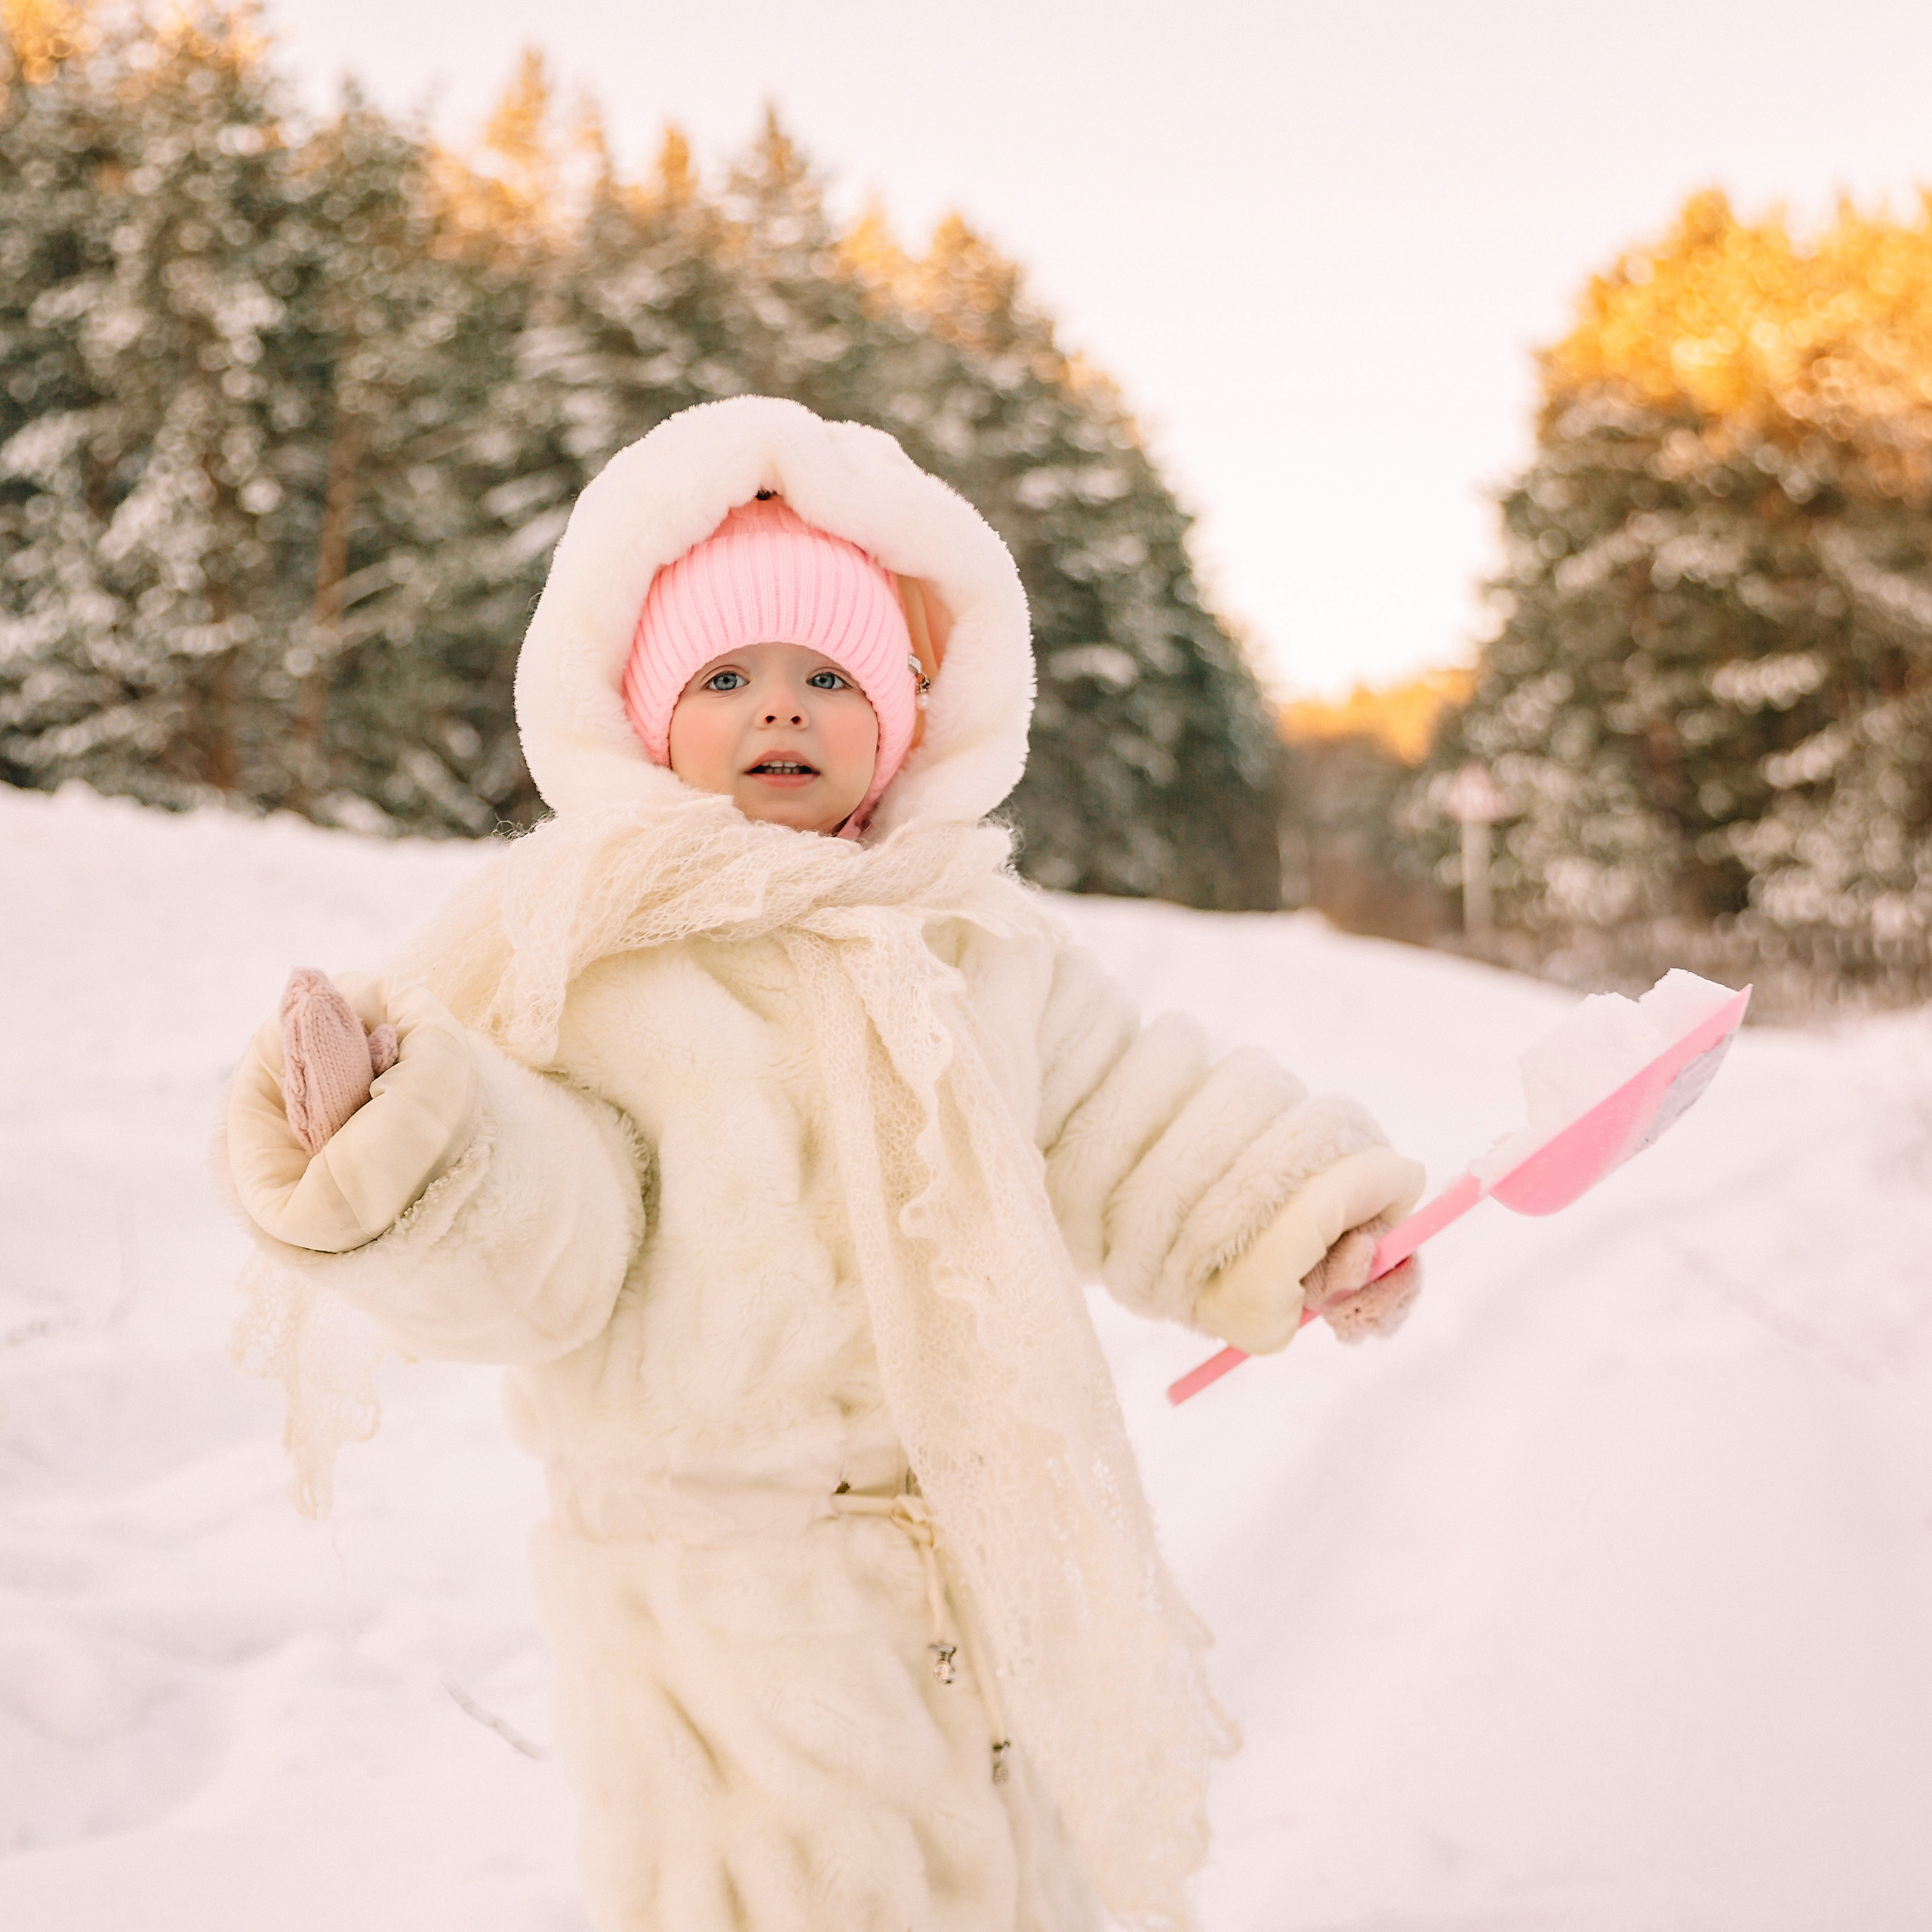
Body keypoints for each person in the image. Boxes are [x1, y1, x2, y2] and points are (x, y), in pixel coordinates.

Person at [220, 395, 1425, 1932]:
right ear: (646, 715)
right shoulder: (597, 962)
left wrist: (1289, 1220)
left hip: (983, 1551)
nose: (776, 708)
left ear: (908, 715)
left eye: (824, 675)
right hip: (731, 1605)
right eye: (725, 675)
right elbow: (555, 1227)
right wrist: (407, 1136)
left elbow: (1124, 1110)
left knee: (1024, 1885)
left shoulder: (966, 937)